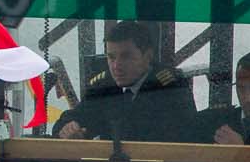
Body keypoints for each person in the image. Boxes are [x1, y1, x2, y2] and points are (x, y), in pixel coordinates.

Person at [55, 20, 197, 143]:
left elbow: (185, 137)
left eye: (126, 57)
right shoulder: (105, 85)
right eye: (111, 57)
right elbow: (81, 115)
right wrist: (69, 127)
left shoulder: (170, 87)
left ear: (147, 56)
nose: (117, 66)